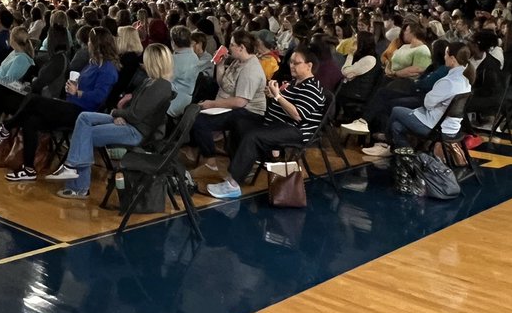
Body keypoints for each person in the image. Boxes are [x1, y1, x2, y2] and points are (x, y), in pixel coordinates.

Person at [48, 43, 176, 198]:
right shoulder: (151, 82)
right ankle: (72, 168)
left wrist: (116, 112)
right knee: (84, 118)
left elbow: (136, 115)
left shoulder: (161, 86)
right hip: (129, 122)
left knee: (85, 133)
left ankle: (78, 184)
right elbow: (134, 110)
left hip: (136, 131)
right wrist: (121, 115)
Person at [206, 47, 327, 200]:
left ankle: (233, 184)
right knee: (239, 120)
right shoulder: (294, 83)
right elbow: (283, 103)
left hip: (295, 130)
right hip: (275, 123)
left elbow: (297, 115)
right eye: (291, 62)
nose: (291, 66)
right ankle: (239, 167)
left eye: (296, 63)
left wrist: (278, 97)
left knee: (252, 136)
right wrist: (272, 95)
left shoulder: (313, 88)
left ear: (309, 66)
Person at [1, 27, 120, 181]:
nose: (88, 44)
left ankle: (5, 127)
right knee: (30, 120)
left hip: (83, 112)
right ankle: (28, 168)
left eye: (90, 41)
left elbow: (99, 96)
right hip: (71, 104)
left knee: (34, 100)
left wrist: (77, 92)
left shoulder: (108, 69)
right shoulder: (93, 63)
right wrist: (72, 88)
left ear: (96, 44)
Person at [187, 30, 268, 169]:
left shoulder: (251, 70)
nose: (229, 47)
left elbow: (241, 102)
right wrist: (220, 65)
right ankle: (207, 152)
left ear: (241, 47)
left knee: (200, 121)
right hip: (234, 105)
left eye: (232, 45)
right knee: (194, 112)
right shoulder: (238, 61)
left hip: (249, 112)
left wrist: (212, 104)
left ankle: (210, 161)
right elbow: (223, 84)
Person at [386, 43, 472, 148]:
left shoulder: (448, 82)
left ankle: (387, 143)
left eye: (446, 54)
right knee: (396, 126)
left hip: (437, 127)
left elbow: (428, 103)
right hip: (452, 126)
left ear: (452, 58)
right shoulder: (466, 80)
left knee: (396, 110)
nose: (444, 57)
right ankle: (407, 155)